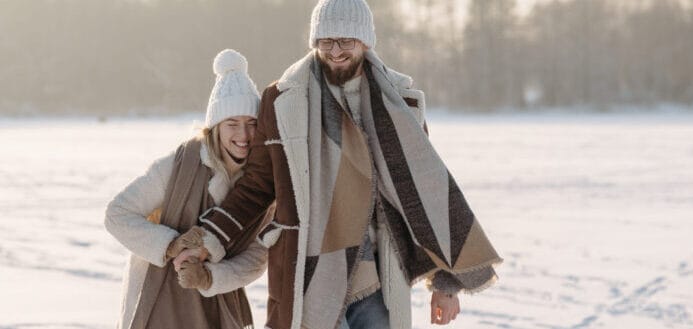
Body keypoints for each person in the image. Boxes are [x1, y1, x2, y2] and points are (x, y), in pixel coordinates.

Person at [179, 0, 503, 328]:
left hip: (376, 282)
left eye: (345, 41)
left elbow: (423, 196)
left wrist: (446, 285)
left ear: (364, 41)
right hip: (307, 276)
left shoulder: (400, 103)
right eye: (325, 41)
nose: (335, 51)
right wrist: (208, 240)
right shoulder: (281, 101)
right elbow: (257, 187)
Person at [105, 49, 272, 329]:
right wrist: (171, 244)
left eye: (251, 124)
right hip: (159, 298)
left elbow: (257, 257)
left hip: (218, 304)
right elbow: (117, 215)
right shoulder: (178, 166)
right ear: (215, 127)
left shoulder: (261, 183)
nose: (243, 136)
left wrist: (209, 277)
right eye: (232, 124)